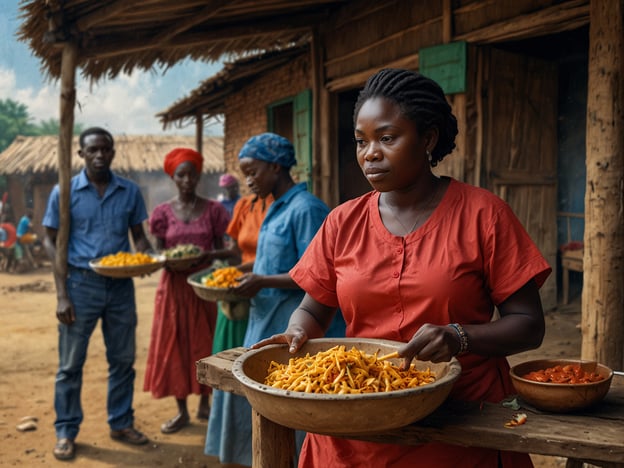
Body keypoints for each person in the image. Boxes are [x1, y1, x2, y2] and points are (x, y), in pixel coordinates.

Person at [254, 69, 552, 468]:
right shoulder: (343, 221)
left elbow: (529, 324)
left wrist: (459, 337)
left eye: (387, 138)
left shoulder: (484, 215)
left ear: (427, 139)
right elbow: (313, 308)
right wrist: (296, 332)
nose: (370, 153)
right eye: (361, 141)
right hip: (353, 424)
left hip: (459, 426)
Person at [204, 132, 345, 467]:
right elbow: (273, 259)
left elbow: (319, 274)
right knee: (259, 402)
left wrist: (262, 280)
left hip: (292, 326)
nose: (248, 180)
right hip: (264, 318)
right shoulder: (274, 207)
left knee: (289, 406)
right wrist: (243, 271)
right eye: (244, 173)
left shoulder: (306, 209)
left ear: (276, 166)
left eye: (253, 171)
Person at [42, 127, 154, 461]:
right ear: (81, 154)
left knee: (122, 360)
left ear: (113, 153)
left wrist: (147, 258)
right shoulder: (65, 192)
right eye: (93, 150)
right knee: (70, 364)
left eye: (106, 149)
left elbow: (140, 238)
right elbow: (50, 237)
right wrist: (61, 294)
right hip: (80, 284)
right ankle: (66, 430)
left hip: (121, 286)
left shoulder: (129, 191)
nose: (100, 155)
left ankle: (120, 422)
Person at [143, 147, 230, 434]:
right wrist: (170, 260)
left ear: (198, 176)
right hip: (173, 291)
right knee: (175, 346)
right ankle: (181, 411)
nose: (187, 180)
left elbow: (226, 249)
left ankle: (205, 402)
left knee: (205, 343)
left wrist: (204, 255)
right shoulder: (162, 213)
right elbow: (158, 253)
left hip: (204, 286)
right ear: (173, 177)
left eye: (192, 175)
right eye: (181, 175)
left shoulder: (214, 210)